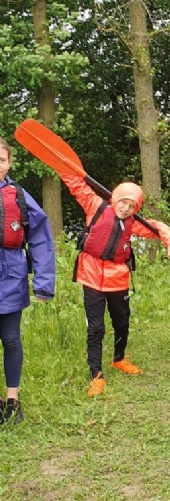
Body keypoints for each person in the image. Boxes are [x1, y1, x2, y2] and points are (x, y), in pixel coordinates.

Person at [58, 171, 170, 396]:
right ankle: (96, 375)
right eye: (123, 202)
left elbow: (157, 226)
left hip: (117, 279)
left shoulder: (134, 223)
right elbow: (76, 184)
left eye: (132, 206)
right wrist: (62, 166)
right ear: (115, 198)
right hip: (91, 275)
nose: (125, 209)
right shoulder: (95, 205)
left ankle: (119, 359)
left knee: (122, 322)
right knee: (96, 327)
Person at [0, 137, 55, 423]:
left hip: (11, 275)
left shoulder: (19, 196)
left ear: (9, 163)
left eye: (1, 160)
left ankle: (12, 399)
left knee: (11, 339)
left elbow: (41, 239)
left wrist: (44, 283)